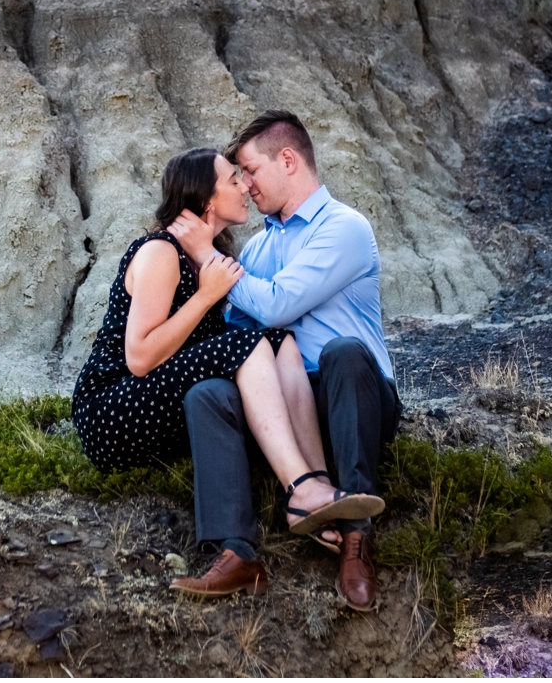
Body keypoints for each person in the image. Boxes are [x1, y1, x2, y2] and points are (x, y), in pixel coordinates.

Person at [72, 147, 383, 598]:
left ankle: (317, 490)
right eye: (233, 179)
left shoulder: (211, 257)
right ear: (207, 199)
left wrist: (213, 278)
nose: (244, 185)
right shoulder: (162, 251)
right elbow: (138, 358)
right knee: (248, 343)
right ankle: (299, 488)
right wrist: (204, 296)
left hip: (161, 405)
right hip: (113, 410)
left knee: (282, 341)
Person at [168, 110, 402, 611]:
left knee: (343, 352)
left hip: (356, 396)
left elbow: (277, 305)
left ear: (288, 160)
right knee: (209, 394)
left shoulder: (345, 228)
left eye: (250, 170)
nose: (245, 184)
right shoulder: (256, 249)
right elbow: (238, 327)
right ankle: (235, 553)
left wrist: (207, 255)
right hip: (286, 399)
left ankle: (356, 540)